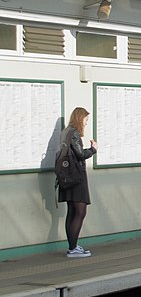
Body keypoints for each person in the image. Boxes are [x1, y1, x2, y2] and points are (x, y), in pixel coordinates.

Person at [59, 107, 98, 258]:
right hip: (76, 178)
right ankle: (73, 248)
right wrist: (93, 149)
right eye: (86, 119)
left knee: (71, 212)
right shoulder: (74, 133)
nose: (86, 123)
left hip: (66, 177)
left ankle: (73, 246)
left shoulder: (65, 132)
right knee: (80, 212)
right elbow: (80, 154)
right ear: (79, 118)